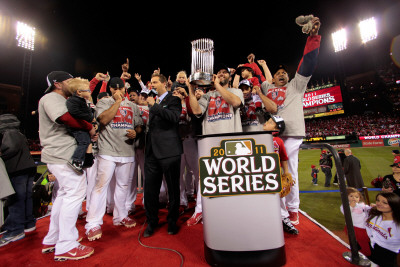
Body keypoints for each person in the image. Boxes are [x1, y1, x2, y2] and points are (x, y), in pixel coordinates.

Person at [260, 16, 321, 225]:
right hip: (272, 134)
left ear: (289, 76)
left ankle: (293, 209)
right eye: (278, 73)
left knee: (289, 170)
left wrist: (313, 38)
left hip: (292, 133)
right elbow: (261, 78)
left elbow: (308, 64)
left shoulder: (296, 86)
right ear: (273, 79)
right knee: (273, 172)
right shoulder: (268, 88)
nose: (281, 75)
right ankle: (280, 210)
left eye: (284, 72)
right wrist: (255, 64)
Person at [39, 71, 96, 261]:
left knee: (64, 195)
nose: (72, 84)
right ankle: (66, 245)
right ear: (57, 84)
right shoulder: (51, 97)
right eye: (68, 81)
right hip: (62, 153)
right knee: (74, 194)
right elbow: (65, 118)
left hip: (60, 154)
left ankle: (54, 239)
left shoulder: (62, 97)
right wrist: (89, 127)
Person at [186, 64, 244, 226]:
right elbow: (196, 111)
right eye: (218, 73)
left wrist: (217, 85)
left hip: (231, 142)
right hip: (209, 141)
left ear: (229, 77)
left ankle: (230, 211)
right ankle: (199, 211)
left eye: (224, 73)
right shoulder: (207, 95)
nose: (221, 74)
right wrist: (191, 91)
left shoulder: (235, 90)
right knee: (205, 177)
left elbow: (235, 102)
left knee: (231, 178)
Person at [85, 77, 143, 241]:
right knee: (101, 186)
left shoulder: (133, 106)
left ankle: (121, 215)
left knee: (123, 185)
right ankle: (93, 223)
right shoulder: (104, 102)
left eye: (121, 88)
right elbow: (103, 120)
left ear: (125, 89)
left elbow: (139, 124)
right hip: (108, 150)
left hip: (127, 150)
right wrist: (117, 102)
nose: (118, 90)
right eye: (114, 88)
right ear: (110, 89)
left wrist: (136, 132)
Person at [142, 73, 183, 238]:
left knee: (173, 190)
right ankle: (151, 221)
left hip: (169, 151)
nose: (152, 85)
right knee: (150, 190)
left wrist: (155, 106)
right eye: (151, 82)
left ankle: (172, 220)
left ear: (165, 84)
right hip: (152, 152)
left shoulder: (174, 100)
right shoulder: (155, 101)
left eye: (155, 82)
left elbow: (173, 118)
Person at [0, 114, 37, 247]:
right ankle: (28, 223)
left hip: (17, 170)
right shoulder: (19, 133)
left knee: (15, 199)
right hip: (27, 168)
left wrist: (1, 153)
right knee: (26, 198)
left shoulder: (9, 133)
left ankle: (14, 230)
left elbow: (11, 148)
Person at [263, 115, 299, 235]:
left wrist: (287, 172)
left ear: (277, 128)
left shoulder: (278, 141)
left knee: (280, 197)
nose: (265, 123)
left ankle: (284, 218)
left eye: (269, 122)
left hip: (275, 173)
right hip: (261, 173)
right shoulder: (258, 138)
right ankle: (266, 218)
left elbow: (283, 157)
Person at [65, 78, 95, 174]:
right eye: (88, 90)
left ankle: (84, 161)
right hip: (77, 128)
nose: (90, 92)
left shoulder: (81, 100)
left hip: (82, 127)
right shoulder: (73, 101)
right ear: (79, 92)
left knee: (86, 142)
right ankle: (76, 160)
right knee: (84, 142)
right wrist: (89, 117)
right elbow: (75, 112)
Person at [365, 192, 400, 266]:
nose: (379, 203)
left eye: (384, 202)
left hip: (387, 256)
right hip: (371, 249)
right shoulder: (375, 214)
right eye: (378, 200)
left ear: (394, 204)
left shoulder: (397, 224)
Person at [340, 187, 371, 256]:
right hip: (355, 228)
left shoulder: (361, 205)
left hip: (363, 227)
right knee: (361, 241)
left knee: (363, 240)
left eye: (356, 197)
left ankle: (362, 251)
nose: (354, 198)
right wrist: (351, 206)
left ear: (359, 198)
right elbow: (346, 213)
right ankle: (366, 254)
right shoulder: (344, 206)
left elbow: (367, 208)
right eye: (351, 196)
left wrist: (372, 207)